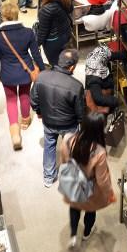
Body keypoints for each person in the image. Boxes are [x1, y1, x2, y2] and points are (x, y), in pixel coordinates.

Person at [0, 1, 45, 150]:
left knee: (11, 100)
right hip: (25, 71)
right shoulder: (28, 32)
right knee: (25, 95)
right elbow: (36, 54)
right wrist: (42, 69)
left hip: (8, 74)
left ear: (3, 16)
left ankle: (15, 135)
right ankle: (25, 121)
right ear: (16, 15)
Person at [59, 112, 115, 249]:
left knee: (74, 207)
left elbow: (63, 161)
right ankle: (86, 233)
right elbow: (102, 180)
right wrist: (110, 193)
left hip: (72, 182)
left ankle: (73, 235)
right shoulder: (99, 151)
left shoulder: (68, 139)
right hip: (89, 187)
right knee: (90, 210)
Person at [31, 49, 85, 188]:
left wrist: (39, 112)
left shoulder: (41, 77)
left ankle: (48, 178)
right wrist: (81, 124)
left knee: (49, 146)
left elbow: (34, 100)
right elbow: (80, 112)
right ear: (72, 66)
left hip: (48, 121)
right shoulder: (76, 86)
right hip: (68, 124)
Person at [37, 0, 74, 66]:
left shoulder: (45, 10)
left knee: (56, 66)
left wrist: (36, 44)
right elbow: (70, 10)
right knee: (66, 64)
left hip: (53, 43)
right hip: (66, 36)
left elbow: (42, 33)